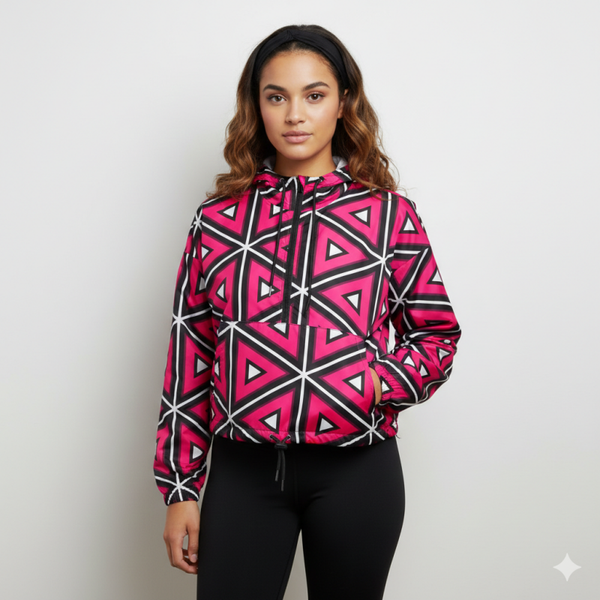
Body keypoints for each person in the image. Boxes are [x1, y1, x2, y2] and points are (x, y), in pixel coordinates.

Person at [154, 24, 461, 600]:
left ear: (343, 104)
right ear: (257, 107)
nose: (295, 114)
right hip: (243, 472)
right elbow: (189, 357)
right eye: (277, 96)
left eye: (314, 95)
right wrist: (180, 488)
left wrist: (372, 383)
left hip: (357, 470)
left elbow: (437, 334)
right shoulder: (217, 221)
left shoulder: (388, 215)